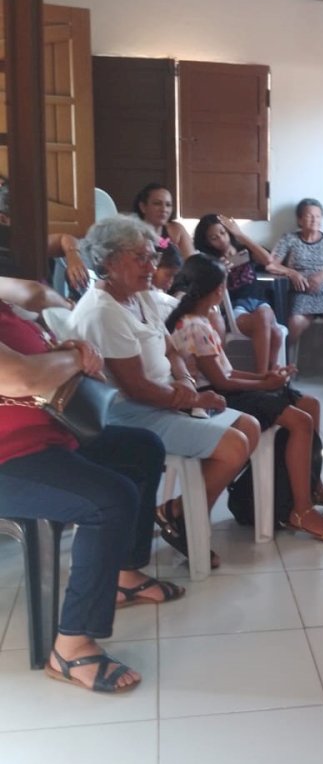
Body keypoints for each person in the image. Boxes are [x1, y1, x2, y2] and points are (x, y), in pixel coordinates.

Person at [0, 276, 181, 694]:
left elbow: (33, 292)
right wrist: (74, 357)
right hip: (10, 458)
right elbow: (23, 378)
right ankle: (70, 647)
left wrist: (61, 349)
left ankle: (124, 574)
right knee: (109, 500)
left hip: (45, 438)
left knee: (142, 450)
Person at [69, 216, 260, 570]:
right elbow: (137, 388)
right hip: (127, 414)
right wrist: (193, 399)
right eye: (140, 258)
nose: (151, 266)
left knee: (249, 426)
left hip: (164, 399)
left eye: (151, 257)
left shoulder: (138, 297)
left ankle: (176, 512)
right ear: (110, 261)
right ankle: (186, 521)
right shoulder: (102, 312)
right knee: (233, 445)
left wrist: (186, 380)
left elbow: (171, 348)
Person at [167, 254, 323, 542]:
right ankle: (300, 509)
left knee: (309, 404)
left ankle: (313, 485)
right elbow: (220, 381)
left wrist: (265, 378)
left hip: (225, 390)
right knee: (300, 421)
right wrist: (264, 384)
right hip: (214, 400)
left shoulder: (200, 321)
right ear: (217, 290)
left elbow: (226, 371)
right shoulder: (194, 326)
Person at [266, 198, 323, 390]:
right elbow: (271, 264)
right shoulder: (289, 239)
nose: (314, 220)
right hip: (302, 293)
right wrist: (292, 272)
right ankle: (284, 367)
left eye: (318, 216)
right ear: (299, 219)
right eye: (309, 216)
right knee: (294, 324)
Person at [193, 213, 283, 374]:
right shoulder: (210, 261)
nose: (221, 239)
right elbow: (214, 296)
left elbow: (268, 261)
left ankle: (270, 374)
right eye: (214, 237)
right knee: (271, 327)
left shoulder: (244, 248)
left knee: (271, 324)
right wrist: (220, 272)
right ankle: (263, 376)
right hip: (235, 308)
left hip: (259, 302)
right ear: (207, 242)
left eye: (223, 232)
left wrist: (240, 234)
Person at [133, 183, 194, 260]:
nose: (164, 209)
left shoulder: (176, 231)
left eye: (168, 205)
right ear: (143, 207)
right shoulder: (132, 234)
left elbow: (192, 263)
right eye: (157, 204)